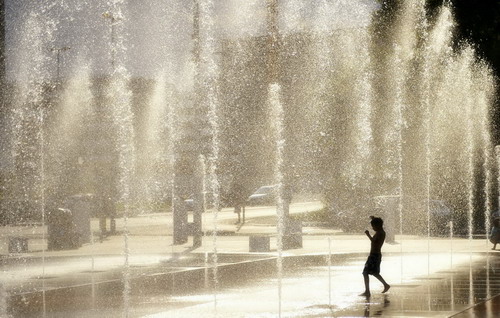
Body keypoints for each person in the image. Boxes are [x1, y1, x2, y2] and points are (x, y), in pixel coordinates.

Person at [360, 216, 390, 297]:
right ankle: (385, 285)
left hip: (375, 256)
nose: (373, 228)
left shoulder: (381, 233)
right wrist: (373, 219)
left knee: (366, 272)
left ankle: (367, 291)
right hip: (373, 255)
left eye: (373, 226)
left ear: (378, 226)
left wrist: (368, 235)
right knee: (374, 273)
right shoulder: (380, 232)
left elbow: (375, 242)